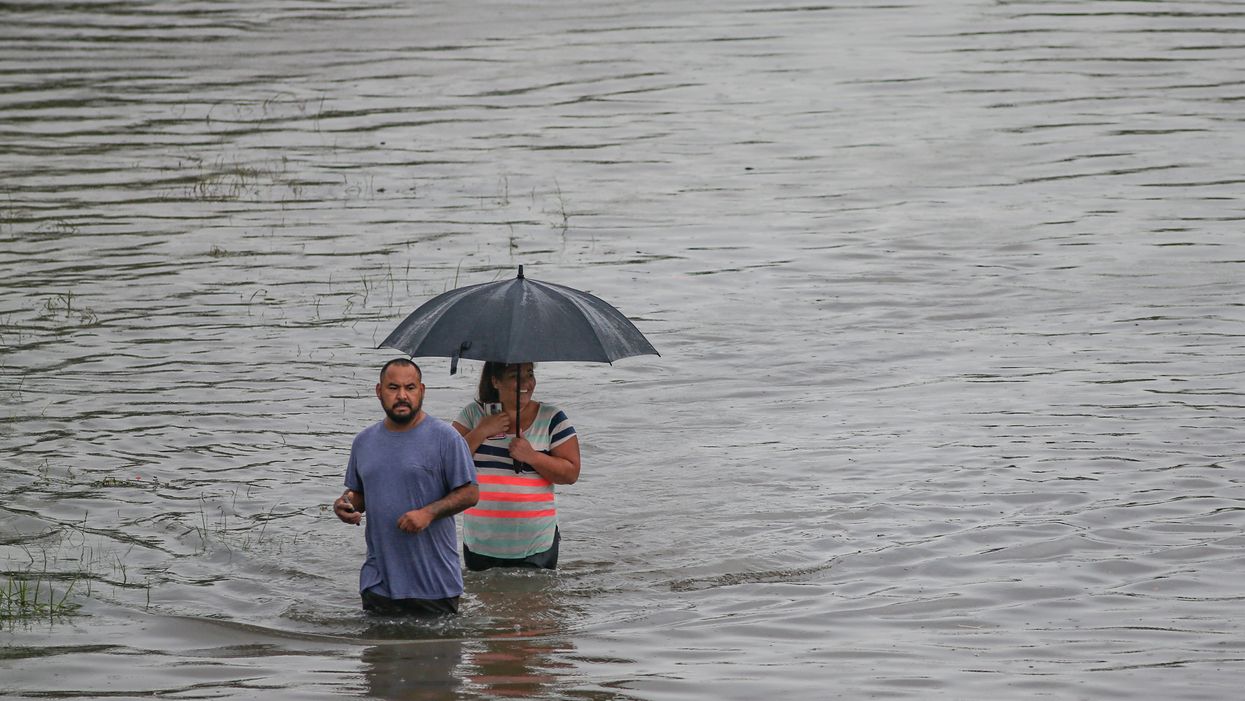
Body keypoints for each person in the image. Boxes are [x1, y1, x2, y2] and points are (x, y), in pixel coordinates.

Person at [333, 358, 479, 615]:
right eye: (393, 388)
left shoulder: (446, 438)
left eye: (410, 388)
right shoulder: (364, 442)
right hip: (377, 584)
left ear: (421, 391)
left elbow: (470, 493)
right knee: (377, 642)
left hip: (434, 584)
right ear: (379, 391)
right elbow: (359, 494)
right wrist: (344, 504)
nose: (402, 395)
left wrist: (428, 513)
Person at [451, 362, 580, 571]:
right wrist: (481, 431)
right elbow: (447, 465)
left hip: (537, 545)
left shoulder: (552, 418)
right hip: (480, 542)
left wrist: (532, 457)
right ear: (495, 381)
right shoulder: (472, 415)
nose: (526, 383)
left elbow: (571, 474)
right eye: (514, 376)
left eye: (529, 374)